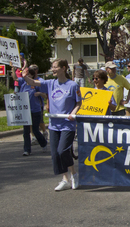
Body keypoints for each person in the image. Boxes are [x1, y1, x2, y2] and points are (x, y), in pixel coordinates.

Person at [22, 59, 81, 191]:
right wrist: (24, 75)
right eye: (52, 67)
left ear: (64, 68)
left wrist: (73, 113)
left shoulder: (72, 85)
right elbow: (32, 82)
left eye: (55, 67)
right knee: (55, 154)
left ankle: (74, 175)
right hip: (54, 124)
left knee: (62, 151)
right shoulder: (50, 83)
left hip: (67, 124)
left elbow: (79, 103)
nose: (53, 69)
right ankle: (65, 179)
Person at [12, 63, 48, 156]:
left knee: (35, 130)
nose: (25, 76)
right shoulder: (23, 83)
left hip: (35, 110)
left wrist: (39, 93)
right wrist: (13, 69)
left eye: (27, 74)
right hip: (25, 111)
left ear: (31, 75)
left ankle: (43, 143)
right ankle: (27, 150)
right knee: (26, 131)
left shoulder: (36, 83)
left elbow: (45, 95)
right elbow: (15, 78)